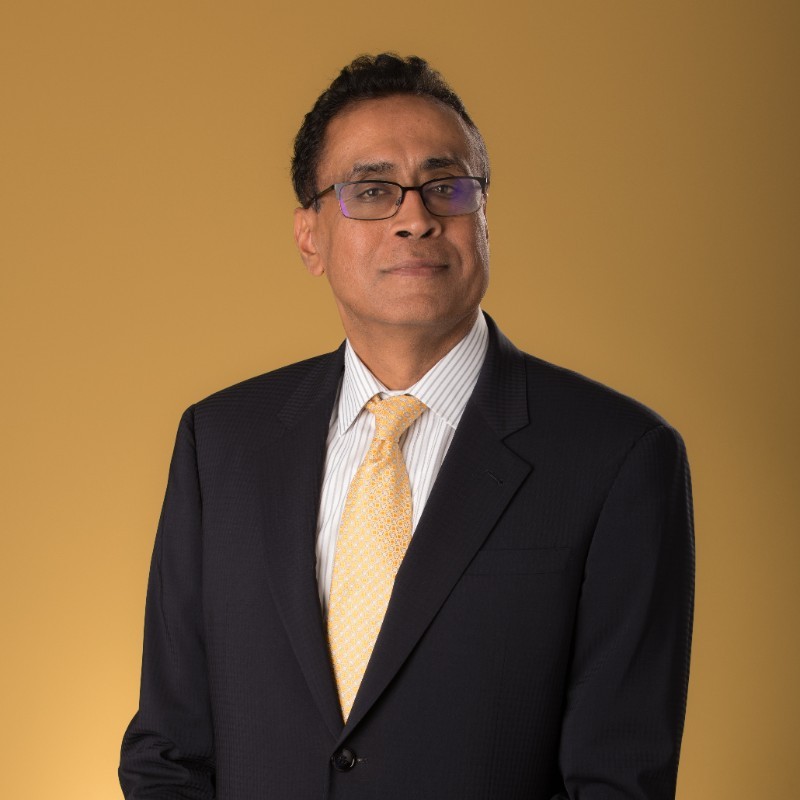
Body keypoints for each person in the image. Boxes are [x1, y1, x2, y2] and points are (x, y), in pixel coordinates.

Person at [119, 53, 694, 800]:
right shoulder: (219, 443)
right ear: (309, 237)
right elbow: (168, 753)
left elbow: (618, 781)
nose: (416, 218)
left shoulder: (619, 456)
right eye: (371, 191)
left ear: (482, 216)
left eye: (446, 187)